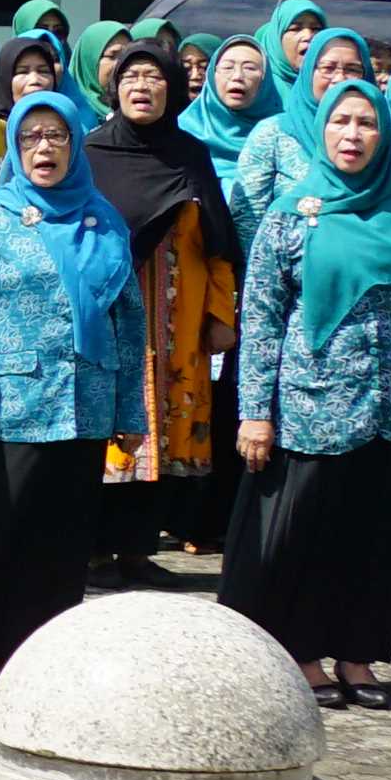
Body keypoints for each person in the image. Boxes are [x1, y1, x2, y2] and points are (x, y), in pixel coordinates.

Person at [223, 81, 391, 710]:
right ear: (321, 131)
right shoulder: (292, 211)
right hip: (311, 400)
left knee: (377, 538)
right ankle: (301, 653)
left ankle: (357, 654)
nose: (352, 135)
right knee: (308, 535)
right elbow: (263, 318)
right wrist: (253, 412)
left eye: (366, 124)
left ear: (385, 134)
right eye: (340, 123)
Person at [0, 92, 147, 691]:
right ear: (14, 146)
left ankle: (46, 670)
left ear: (76, 144)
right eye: (31, 137)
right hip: (10, 407)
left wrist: (130, 408)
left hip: (84, 407)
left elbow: (129, 322)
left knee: (62, 547)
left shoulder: (104, 218)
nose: (44, 148)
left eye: (57, 136)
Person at [79, 33, 241, 582]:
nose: (142, 88)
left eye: (154, 78)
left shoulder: (189, 154)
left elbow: (219, 241)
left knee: (165, 432)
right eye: (130, 77)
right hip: (112, 319)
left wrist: (222, 316)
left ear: (173, 89)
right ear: (114, 87)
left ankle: (136, 550)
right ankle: (96, 549)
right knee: (113, 429)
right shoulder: (92, 153)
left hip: (180, 319)